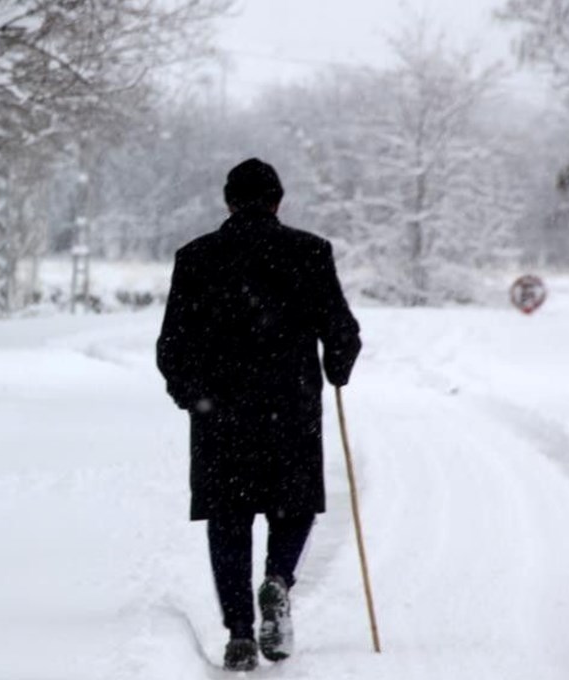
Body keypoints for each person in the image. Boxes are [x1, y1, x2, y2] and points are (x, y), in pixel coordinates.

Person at [156, 158, 361, 671]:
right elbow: (341, 330)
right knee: (292, 506)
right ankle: (277, 580)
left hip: (219, 414)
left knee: (228, 519)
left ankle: (241, 634)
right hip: (288, 408)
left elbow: (171, 347)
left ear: (228, 202)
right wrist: (338, 366)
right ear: (278, 200)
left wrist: (192, 397)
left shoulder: (196, 257)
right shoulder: (309, 253)